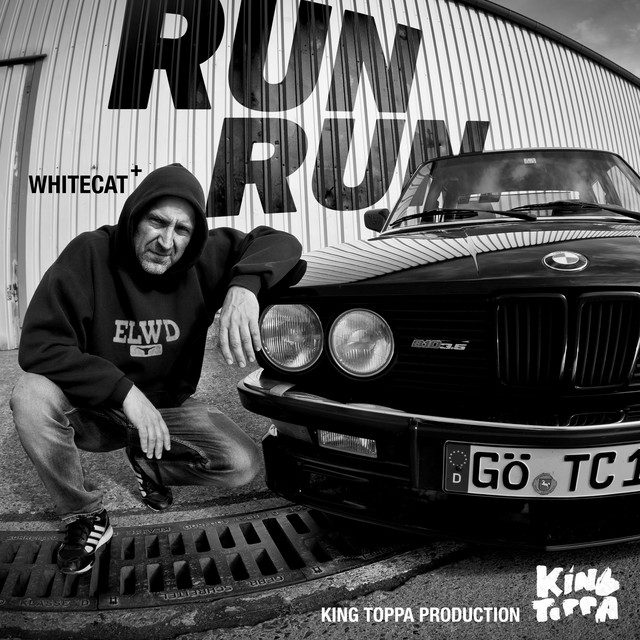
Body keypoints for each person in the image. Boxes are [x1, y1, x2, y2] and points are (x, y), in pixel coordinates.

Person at [10, 163, 303, 575]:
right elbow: (41, 345)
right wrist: (125, 392)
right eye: (157, 222)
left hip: (167, 408)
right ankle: (84, 514)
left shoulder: (207, 257)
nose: (167, 242)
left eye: (182, 230)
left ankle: (148, 463)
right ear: (135, 217)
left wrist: (244, 287)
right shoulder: (90, 253)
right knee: (30, 395)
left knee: (242, 464)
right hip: (95, 408)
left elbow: (282, 243)